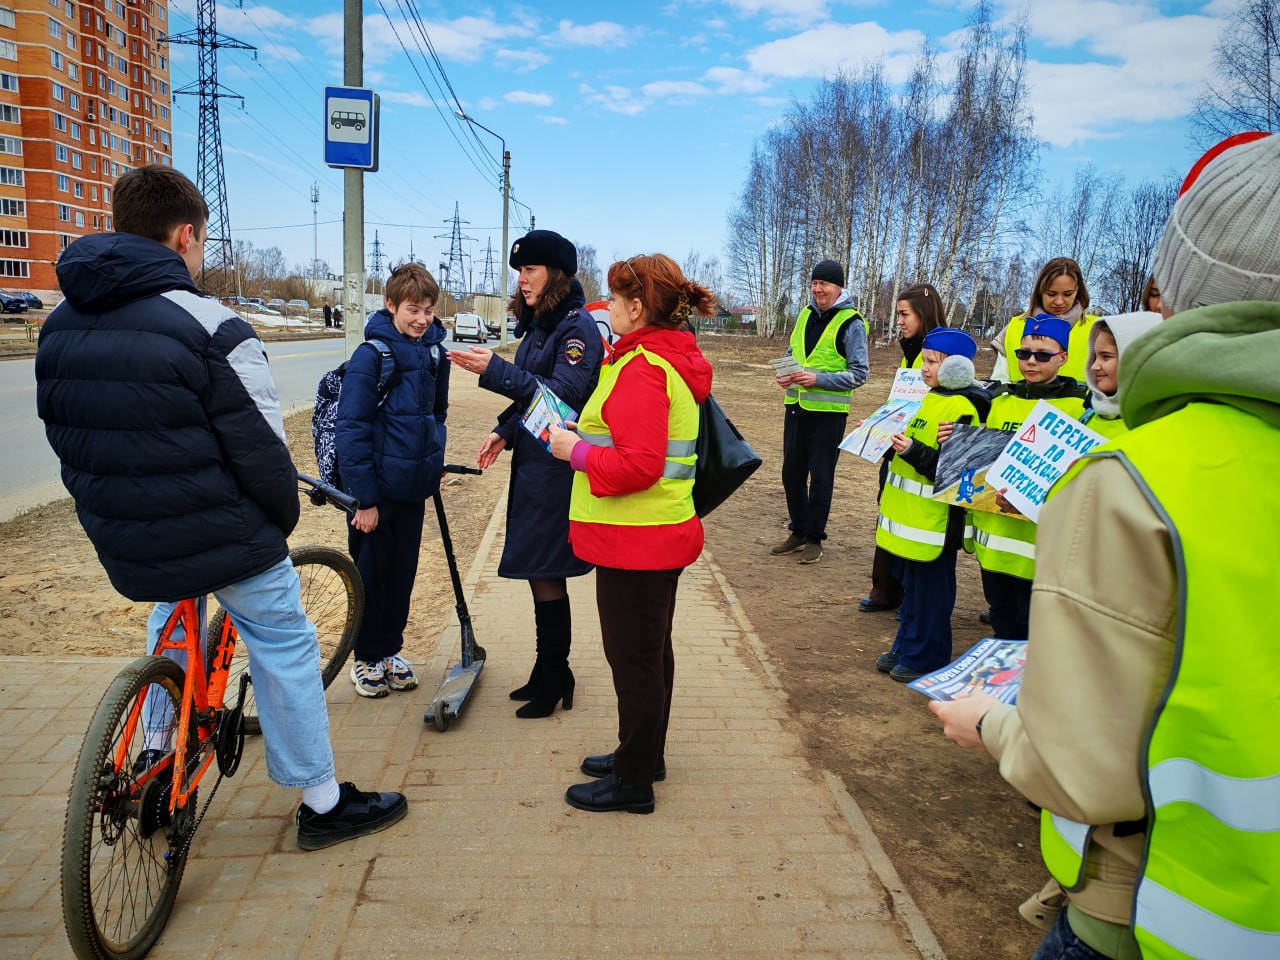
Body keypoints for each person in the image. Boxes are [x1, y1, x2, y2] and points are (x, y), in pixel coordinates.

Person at [930, 131, 1280, 960]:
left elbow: (1079, 768)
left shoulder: (1133, 480)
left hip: (1162, 915)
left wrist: (990, 724)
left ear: (1179, 286)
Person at [34, 165, 405, 851]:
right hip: (220, 531)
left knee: (171, 617)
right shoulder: (213, 326)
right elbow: (263, 454)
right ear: (186, 236)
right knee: (283, 638)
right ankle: (322, 803)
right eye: (202, 242)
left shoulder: (59, 325)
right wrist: (280, 521)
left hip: (124, 533)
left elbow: (65, 431)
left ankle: (154, 754)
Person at [547, 253, 713, 814]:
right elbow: (637, 442)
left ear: (638, 308)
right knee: (650, 654)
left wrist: (575, 451)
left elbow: (638, 465)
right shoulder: (659, 359)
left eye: (616, 299)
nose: (608, 308)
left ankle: (634, 780)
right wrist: (586, 434)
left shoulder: (644, 367)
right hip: (651, 535)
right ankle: (642, 754)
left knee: (635, 661)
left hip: (637, 541)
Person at [449, 229, 604, 718]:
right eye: (519, 270)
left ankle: (555, 674)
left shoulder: (577, 329)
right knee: (540, 571)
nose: (521, 279)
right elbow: (530, 398)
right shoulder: (543, 325)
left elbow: (562, 398)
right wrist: (505, 432)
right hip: (535, 464)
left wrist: (496, 371)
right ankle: (547, 670)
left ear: (556, 274)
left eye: (530, 270)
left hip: (558, 471)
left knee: (546, 570)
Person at [336, 262, 449, 697]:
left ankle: (389, 651)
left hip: (412, 491)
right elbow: (351, 428)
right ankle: (365, 658)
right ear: (390, 305)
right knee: (371, 577)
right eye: (413, 310)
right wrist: (363, 499)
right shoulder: (372, 356)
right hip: (376, 495)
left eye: (428, 311)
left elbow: (436, 416)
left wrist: (432, 464)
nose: (422, 319)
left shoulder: (435, 355)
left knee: (401, 576)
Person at [873, 328, 989, 681]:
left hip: (937, 524)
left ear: (956, 366)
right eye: (923, 360)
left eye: (933, 362)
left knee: (931, 594)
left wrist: (911, 450)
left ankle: (927, 656)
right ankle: (906, 646)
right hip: (913, 522)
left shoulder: (962, 407)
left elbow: (955, 472)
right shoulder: (928, 398)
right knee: (913, 591)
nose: (924, 368)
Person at [970, 315, 1087, 642]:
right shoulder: (1000, 402)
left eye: (1042, 355)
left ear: (1063, 358)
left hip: (1040, 549)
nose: (1031, 361)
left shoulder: (1079, 408)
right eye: (1023, 354)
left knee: (1034, 628)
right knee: (1002, 617)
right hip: (995, 540)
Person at [770, 259, 869, 564]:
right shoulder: (805, 314)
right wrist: (784, 374)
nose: (817, 289)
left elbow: (859, 374)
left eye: (823, 283)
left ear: (838, 287)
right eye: (814, 283)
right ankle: (799, 530)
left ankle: (814, 538)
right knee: (791, 474)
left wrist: (818, 379)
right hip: (796, 407)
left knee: (821, 478)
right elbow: (792, 352)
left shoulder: (852, 323)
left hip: (829, 414)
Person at [860, 282, 946, 614]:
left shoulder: (940, 354)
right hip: (896, 445)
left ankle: (906, 594)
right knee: (888, 511)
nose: (899, 321)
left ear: (924, 314)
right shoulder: (909, 352)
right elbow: (899, 402)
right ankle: (885, 588)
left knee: (911, 521)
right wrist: (875, 426)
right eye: (898, 314)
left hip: (920, 450)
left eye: (904, 314)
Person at [990, 258, 1098, 383]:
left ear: (1078, 291)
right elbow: (999, 383)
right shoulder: (1014, 328)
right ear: (1040, 291)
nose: (1059, 301)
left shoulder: (1098, 329)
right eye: (1051, 294)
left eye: (1067, 294)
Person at [1078, 312, 1162, 441]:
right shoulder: (1089, 414)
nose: (1094, 366)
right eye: (1095, 357)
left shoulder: (1151, 432)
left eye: (1106, 357)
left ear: (1137, 360)